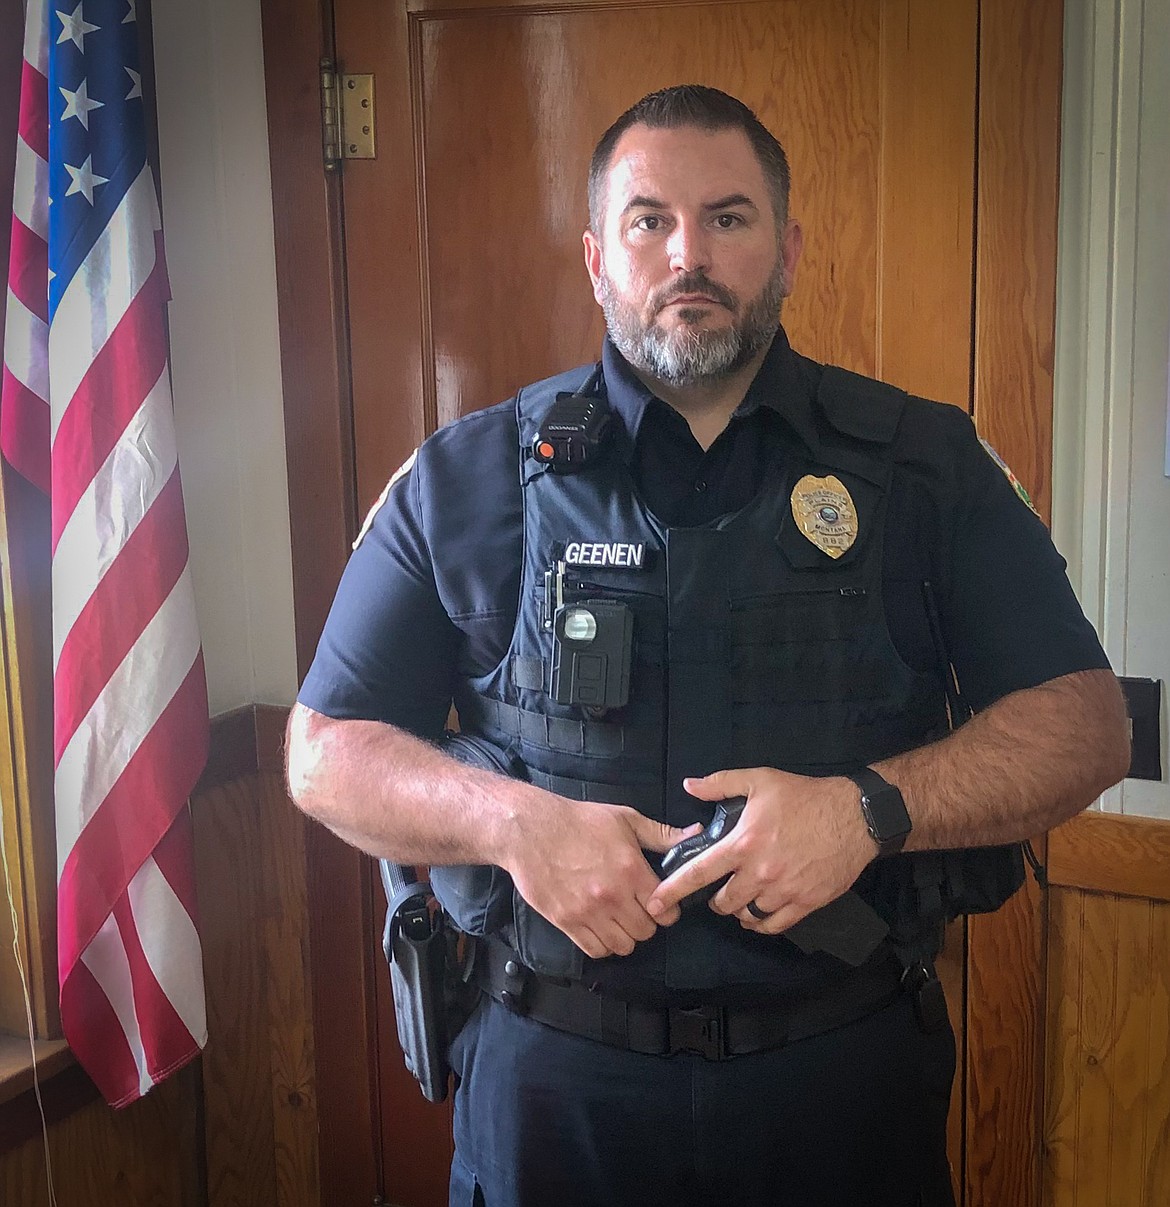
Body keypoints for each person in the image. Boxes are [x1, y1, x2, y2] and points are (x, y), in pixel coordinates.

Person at [286, 85, 1129, 1207]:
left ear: (786, 250)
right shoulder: (466, 477)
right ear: (597, 257)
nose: (689, 254)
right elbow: (321, 751)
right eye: (650, 221)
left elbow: (1087, 724)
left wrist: (867, 808)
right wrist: (516, 824)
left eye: (728, 219)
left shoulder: (927, 467)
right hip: (554, 1098)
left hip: (838, 1092)